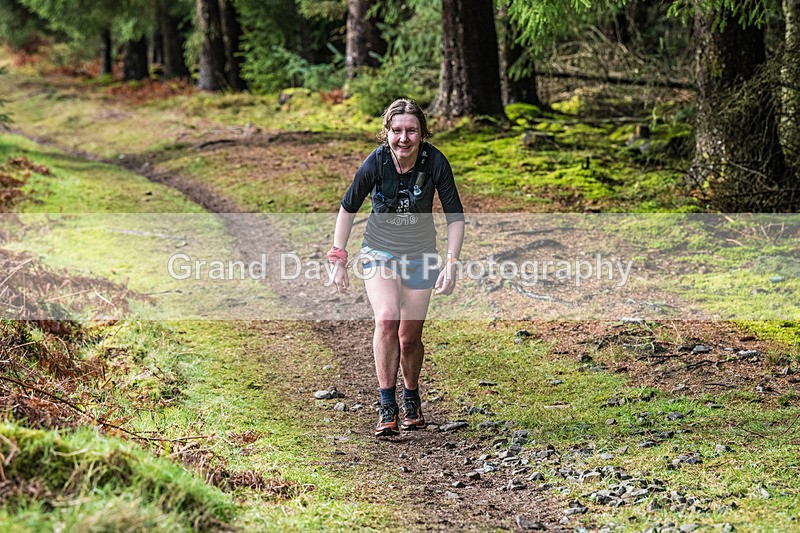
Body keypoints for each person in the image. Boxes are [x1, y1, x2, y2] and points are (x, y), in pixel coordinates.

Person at [328, 98, 465, 437]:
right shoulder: (375, 163)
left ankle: (411, 398)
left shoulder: (435, 162)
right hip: (380, 251)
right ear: (386, 132)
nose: (404, 138)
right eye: (397, 131)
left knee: (409, 337)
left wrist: (451, 263)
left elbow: (455, 217)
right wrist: (338, 258)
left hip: (421, 254)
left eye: (411, 131)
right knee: (387, 318)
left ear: (422, 133)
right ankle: (387, 405)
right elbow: (348, 208)